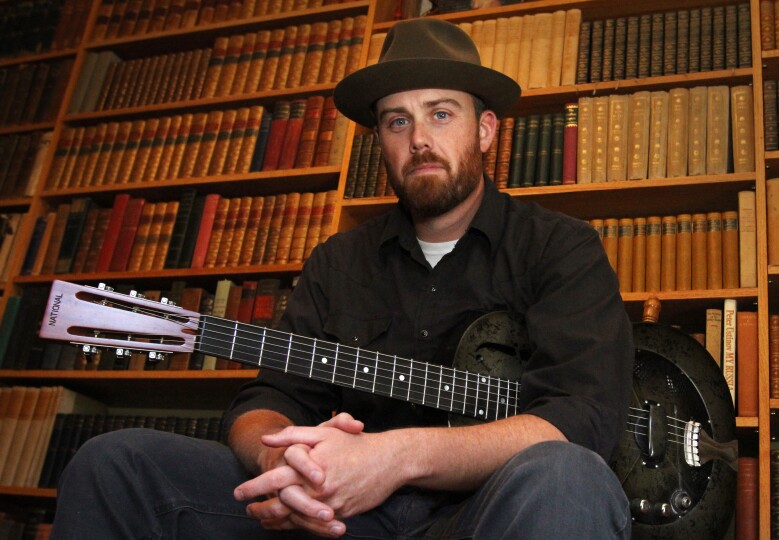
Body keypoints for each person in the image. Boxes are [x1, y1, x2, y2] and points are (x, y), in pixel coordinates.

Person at [51, 18, 634, 539]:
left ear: (484, 131)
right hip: (339, 513)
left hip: (486, 509)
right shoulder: (338, 261)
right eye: (396, 121)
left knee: (568, 475)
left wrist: (397, 456)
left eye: (440, 113)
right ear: (379, 140)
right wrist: (280, 464)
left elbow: (581, 418)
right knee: (116, 462)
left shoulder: (560, 247)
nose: (419, 140)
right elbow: (269, 399)